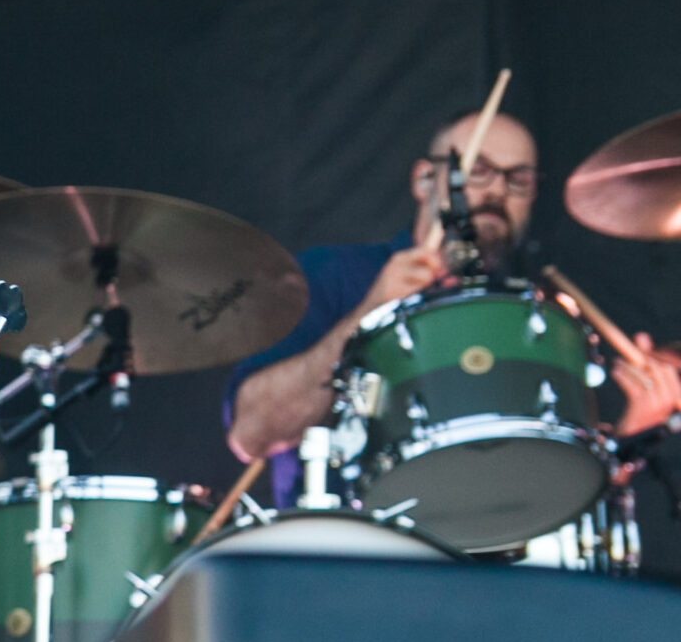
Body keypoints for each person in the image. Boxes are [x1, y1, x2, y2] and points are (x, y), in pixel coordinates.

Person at [226, 107, 681, 475]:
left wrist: (633, 431)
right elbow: (251, 434)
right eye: (478, 171)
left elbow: (554, 503)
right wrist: (370, 313)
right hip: (352, 551)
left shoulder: (533, 317)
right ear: (424, 179)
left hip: (496, 554)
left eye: (518, 179)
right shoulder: (336, 275)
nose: (497, 191)